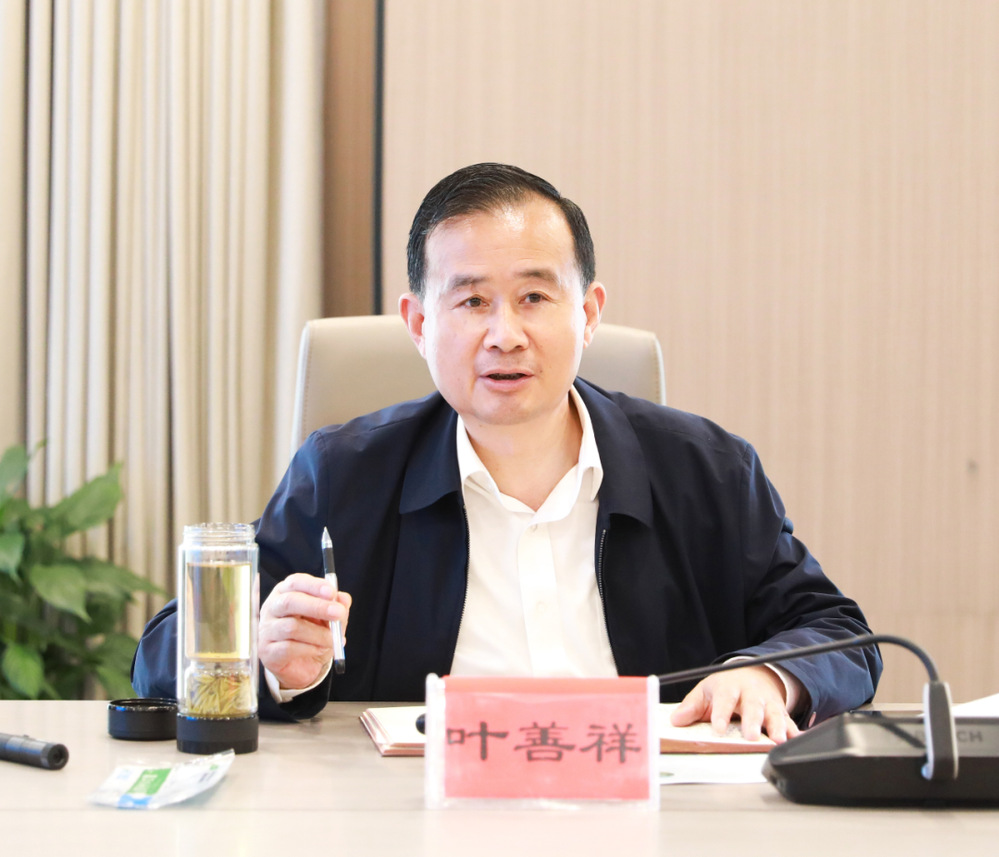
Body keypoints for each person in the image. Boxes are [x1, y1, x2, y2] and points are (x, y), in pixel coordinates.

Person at [133, 163, 881, 742]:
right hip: (411, 820)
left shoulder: (705, 470)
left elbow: (841, 634)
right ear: (418, 324)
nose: (505, 335)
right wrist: (266, 654)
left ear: (587, 313)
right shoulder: (345, 473)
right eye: (471, 301)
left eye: (533, 298)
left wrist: (771, 676)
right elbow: (164, 655)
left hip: (655, 817)